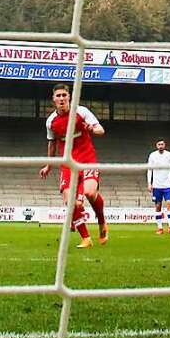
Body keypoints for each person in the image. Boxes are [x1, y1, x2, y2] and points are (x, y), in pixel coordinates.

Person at [39, 84, 108, 249]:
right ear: (53, 100)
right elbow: (52, 144)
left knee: (90, 193)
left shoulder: (81, 111)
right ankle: (86, 238)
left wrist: (91, 128)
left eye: (64, 95)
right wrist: (49, 165)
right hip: (68, 163)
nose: (62, 98)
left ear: (69, 97)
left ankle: (102, 221)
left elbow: (101, 131)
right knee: (71, 203)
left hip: (87, 159)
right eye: (58, 96)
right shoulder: (51, 122)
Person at [147, 138, 170, 235]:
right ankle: (160, 228)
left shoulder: (169, 155)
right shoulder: (152, 155)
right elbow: (149, 170)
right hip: (156, 185)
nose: (161, 146)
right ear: (156, 146)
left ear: (165, 145)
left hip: (167, 185)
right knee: (158, 206)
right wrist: (149, 183)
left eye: (162, 144)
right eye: (159, 144)